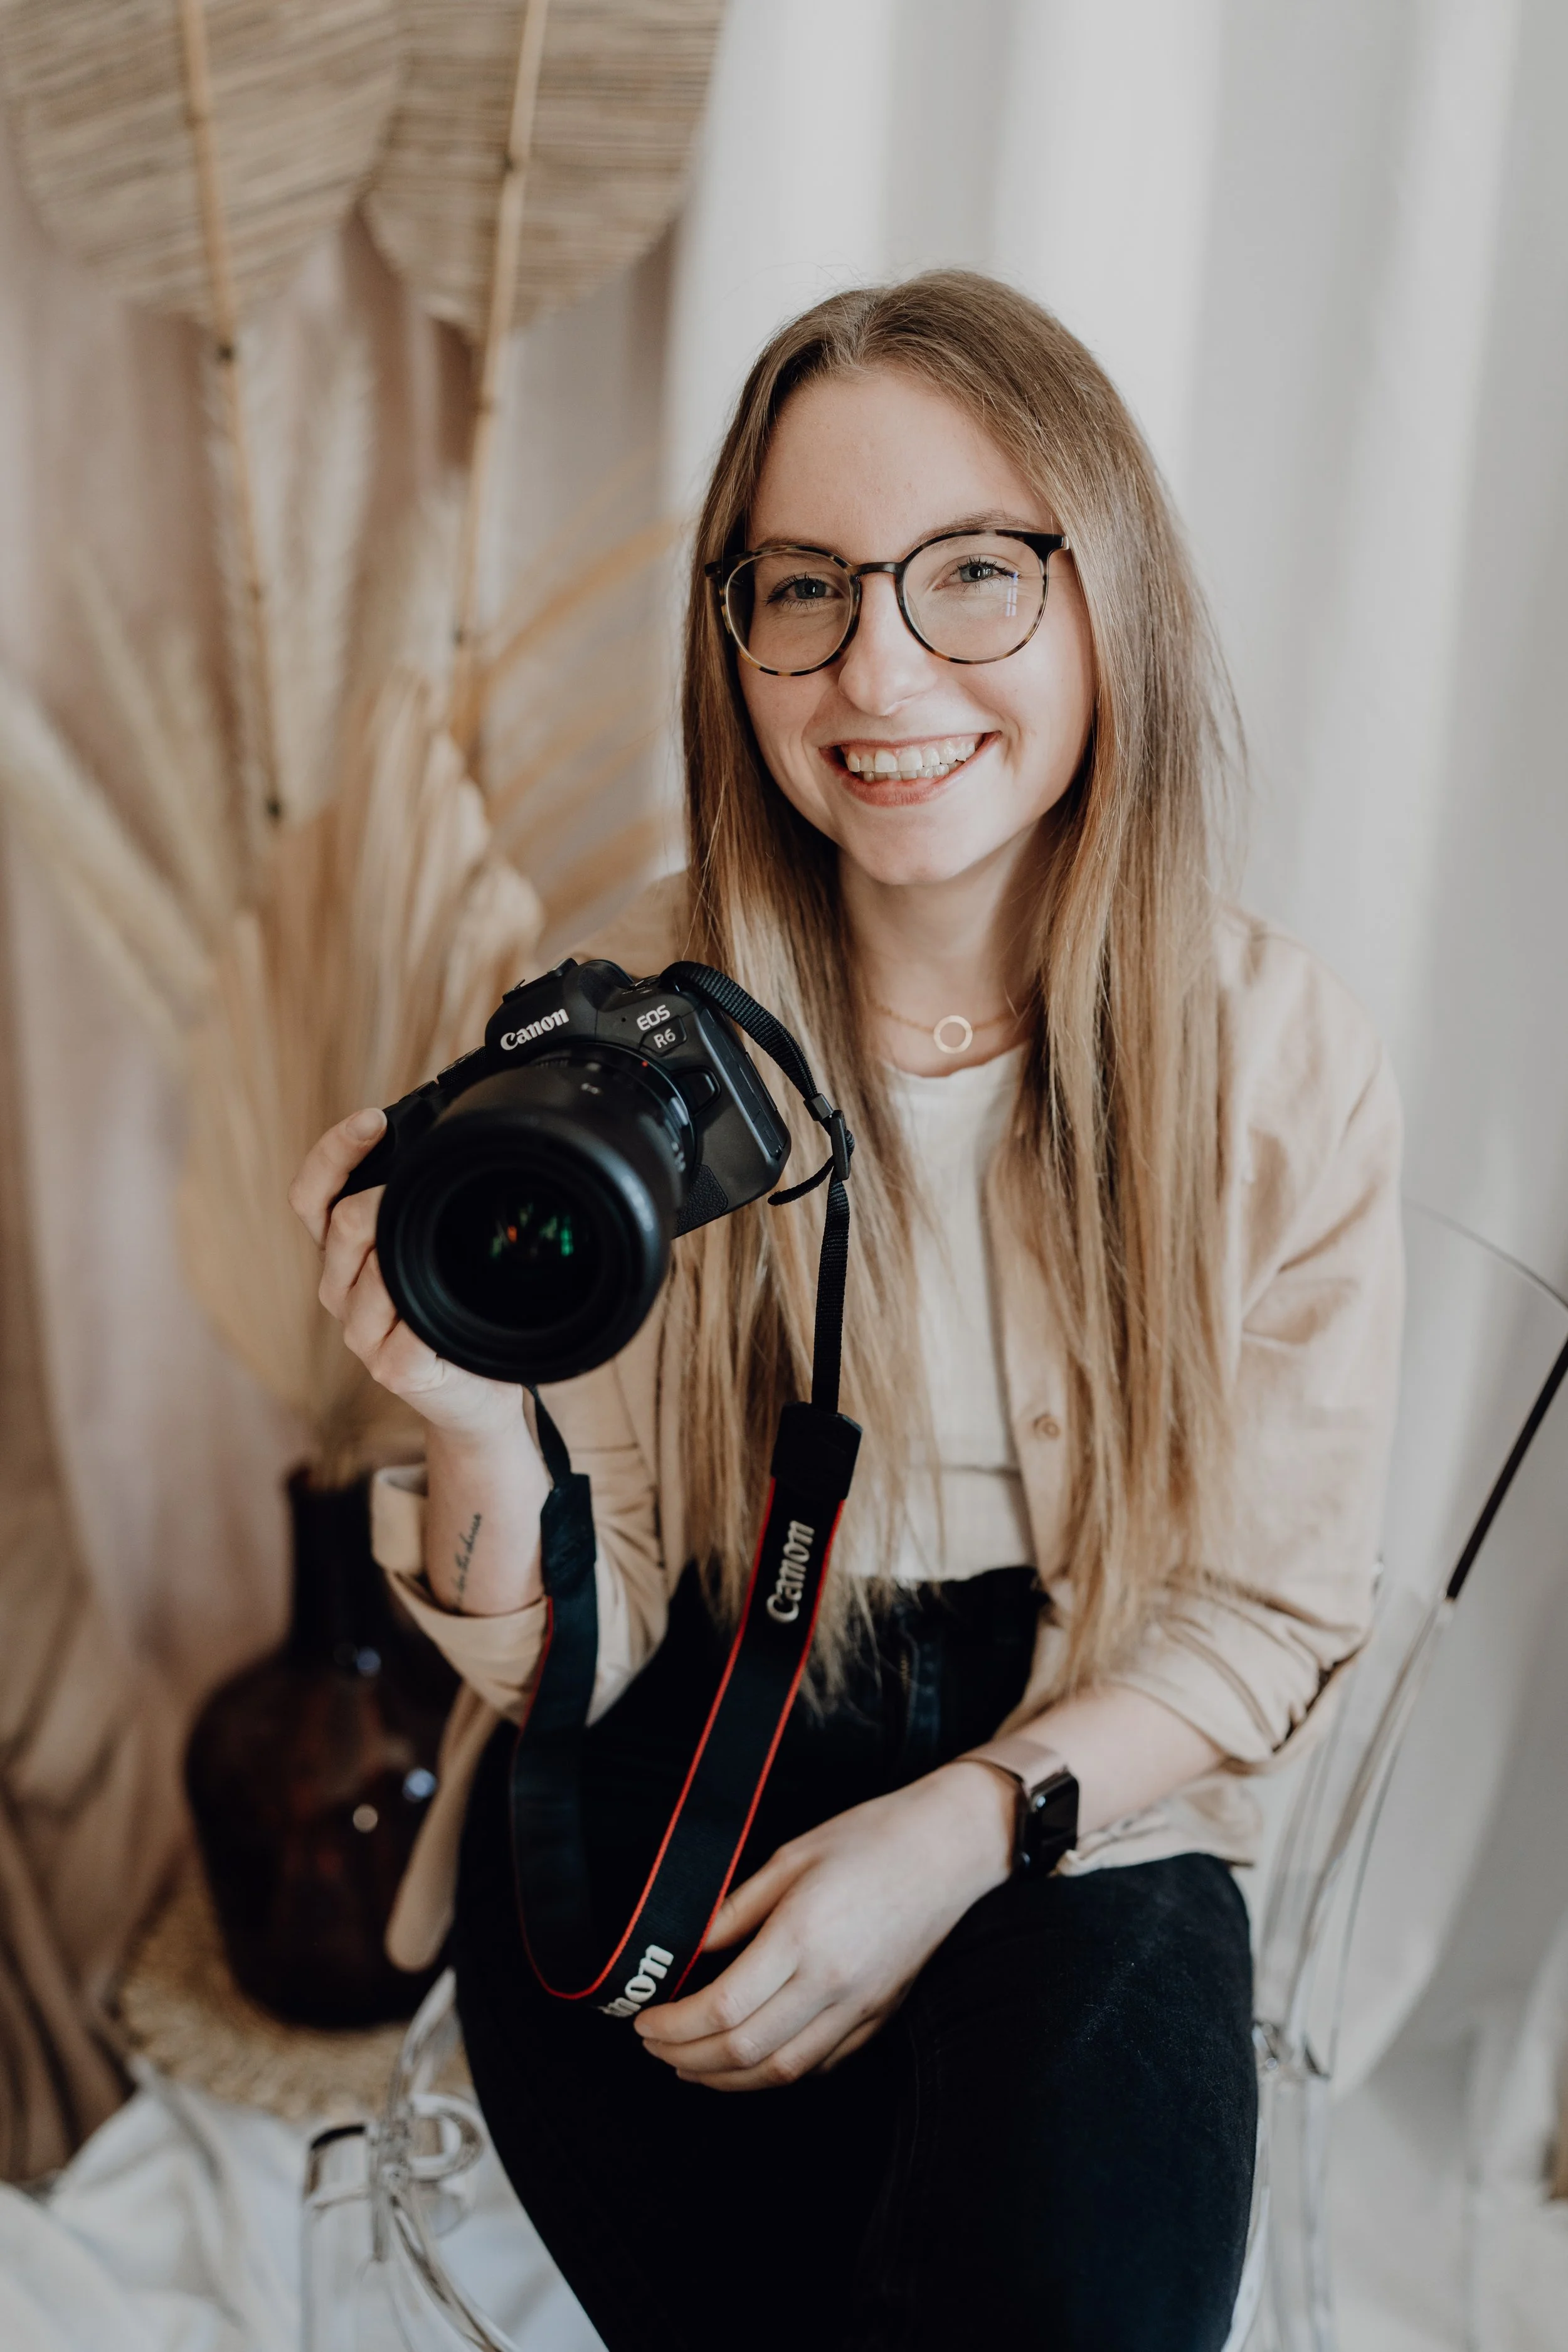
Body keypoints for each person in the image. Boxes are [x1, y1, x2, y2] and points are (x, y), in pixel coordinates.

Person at [290, 271, 1402, 2352]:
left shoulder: (1273, 1058)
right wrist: (460, 1412)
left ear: (1106, 596)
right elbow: (569, 1648)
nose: (876, 667)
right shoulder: (615, 1034)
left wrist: (957, 1834)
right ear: (735, 637)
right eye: (801, 587)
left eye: (970, 573)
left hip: (1082, 1757)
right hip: (681, 1718)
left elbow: (1259, 1617)